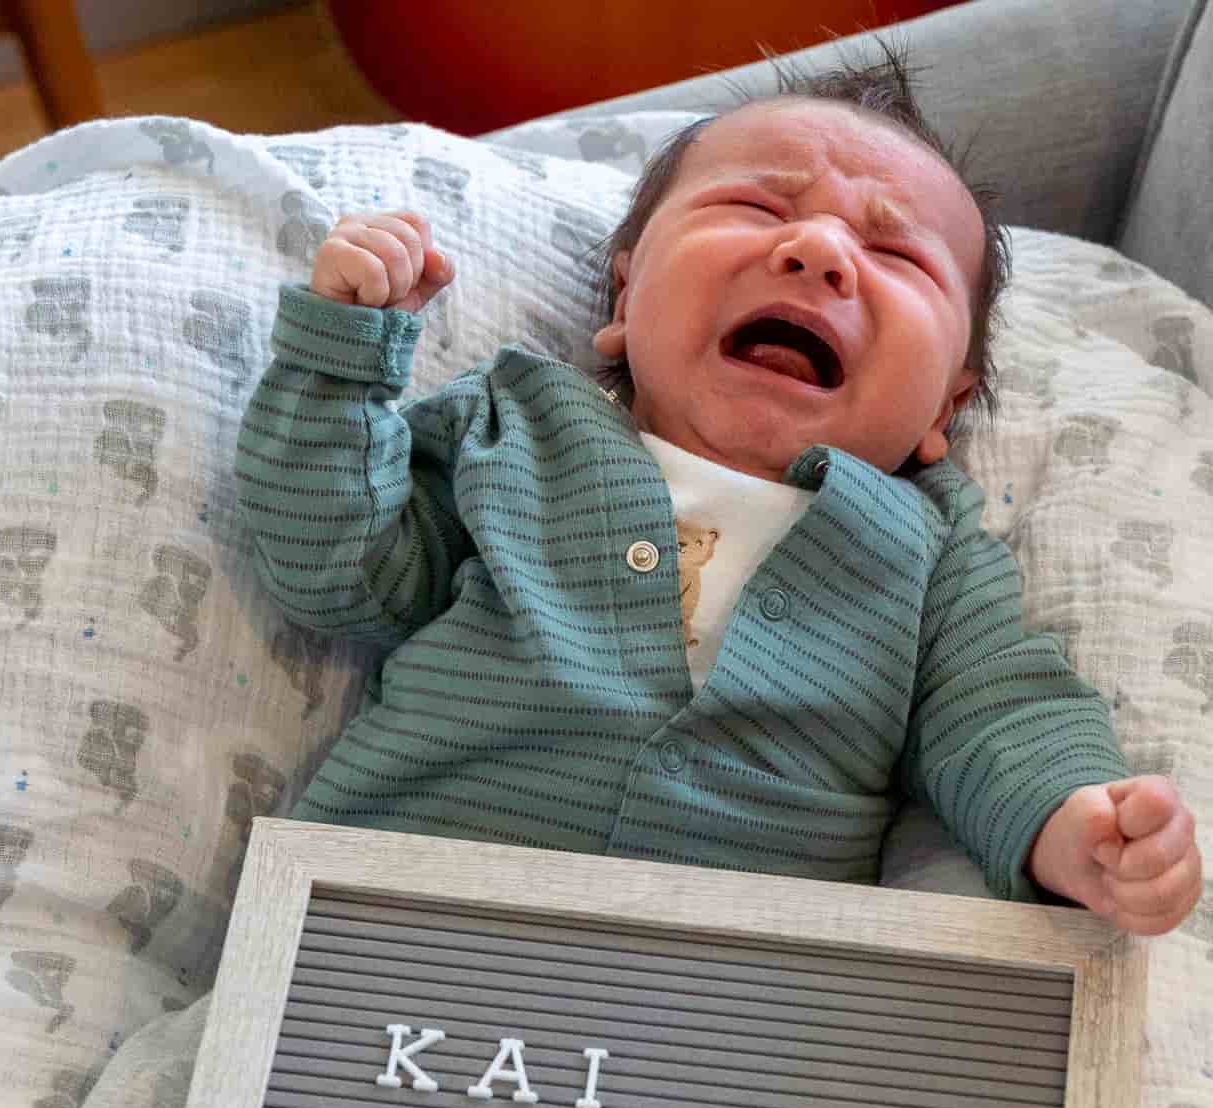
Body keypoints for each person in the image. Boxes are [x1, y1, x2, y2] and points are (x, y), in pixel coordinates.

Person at [237, 51, 1201, 935]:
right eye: (755, 209)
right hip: (390, 935)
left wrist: (1079, 825)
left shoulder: (927, 554)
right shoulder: (515, 429)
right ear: (622, 305)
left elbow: (1002, 711)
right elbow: (334, 564)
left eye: (899, 258)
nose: (819, 252)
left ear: (943, 407)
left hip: (718, 1022)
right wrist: (343, 358)